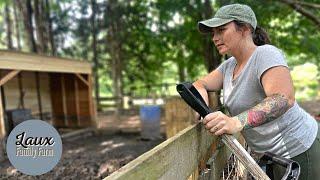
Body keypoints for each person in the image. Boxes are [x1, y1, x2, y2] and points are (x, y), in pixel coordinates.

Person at [193, 3, 320, 180]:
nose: (215, 37)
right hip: (269, 156)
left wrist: (235, 122)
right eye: (213, 33)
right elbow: (200, 83)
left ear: (244, 28)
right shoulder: (229, 66)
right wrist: (201, 101)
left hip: (298, 149)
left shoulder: (265, 54)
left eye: (221, 30)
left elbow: (284, 98)